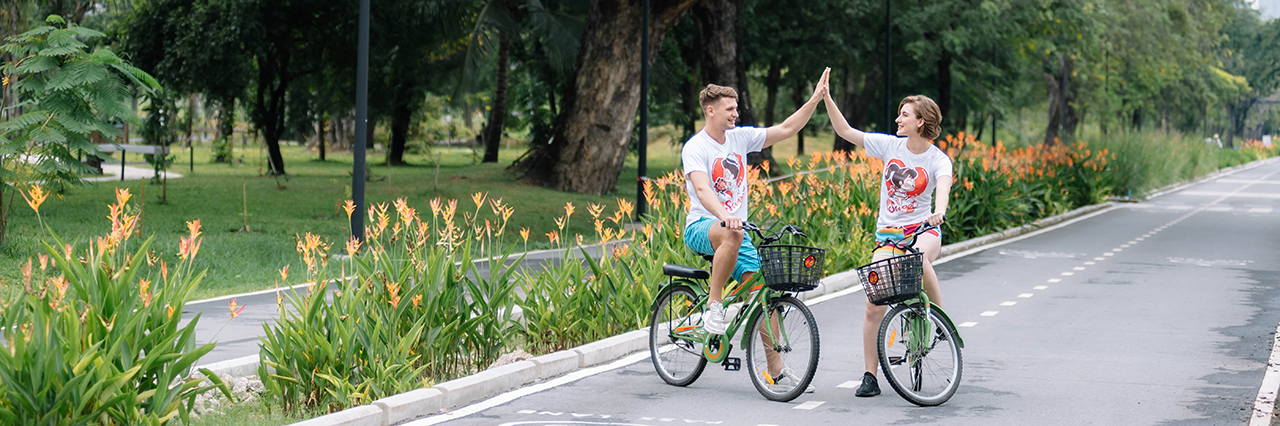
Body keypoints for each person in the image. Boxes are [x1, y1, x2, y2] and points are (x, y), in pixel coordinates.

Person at [681, 69, 829, 388]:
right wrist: (725, 215)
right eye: (730, 108)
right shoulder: (695, 147)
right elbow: (703, 190)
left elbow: (788, 128)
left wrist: (815, 99)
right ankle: (714, 305)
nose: (737, 113)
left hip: (735, 231)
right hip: (701, 226)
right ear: (711, 110)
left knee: (766, 292)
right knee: (733, 232)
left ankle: (775, 371)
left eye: (736, 108)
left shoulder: (740, 138)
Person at [823, 91, 954, 398]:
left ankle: (938, 319)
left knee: (918, 259)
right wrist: (826, 98)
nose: (898, 119)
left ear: (921, 122)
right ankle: (870, 376)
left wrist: (940, 211)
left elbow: (944, 186)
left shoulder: (937, 159)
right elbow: (845, 131)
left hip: (922, 230)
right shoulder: (889, 146)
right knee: (873, 305)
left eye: (904, 115)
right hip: (889, 236)